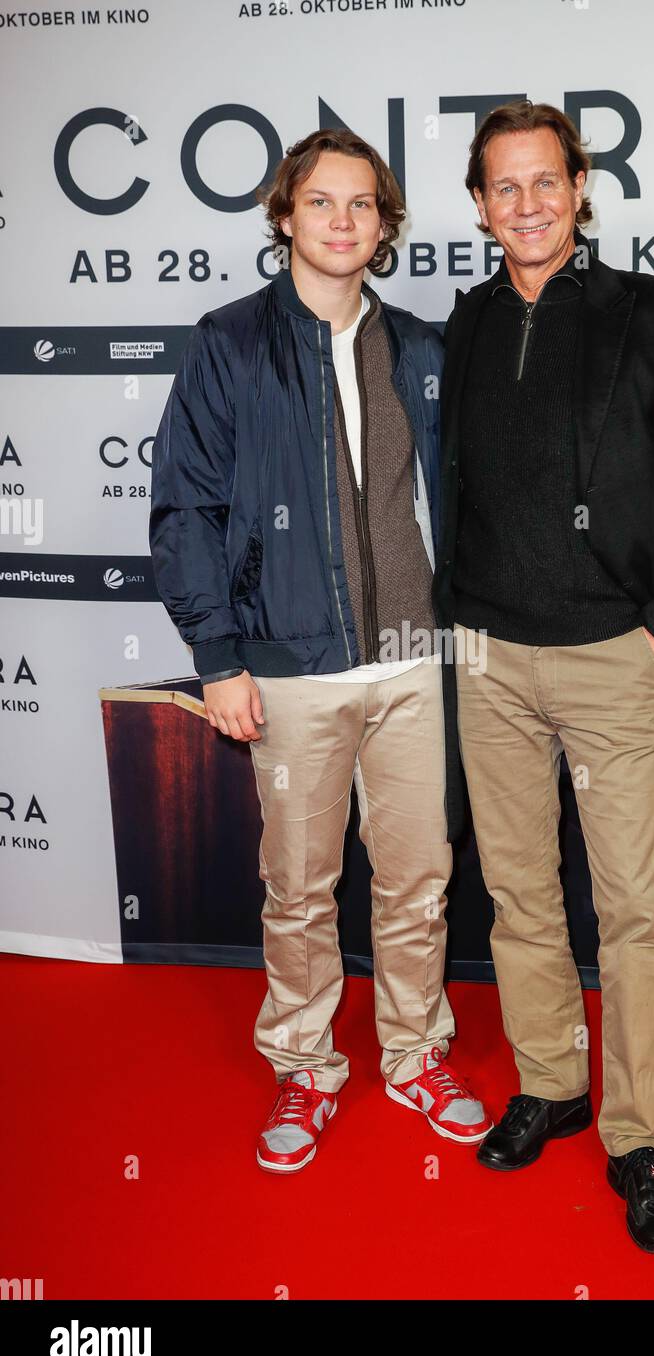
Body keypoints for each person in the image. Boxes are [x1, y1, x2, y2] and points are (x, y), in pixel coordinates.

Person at [150, 127, 491, 1174]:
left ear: (383, 227)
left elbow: (467, 499)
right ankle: (303, 1064)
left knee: (417, 876)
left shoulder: (423, 350)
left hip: (406, 664)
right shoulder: (227, 344)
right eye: (321, 203)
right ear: (285, 217)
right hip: (287, 668)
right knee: (299, 884)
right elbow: (184, 509)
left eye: (361, 206)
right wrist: (217, 657)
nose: (342, 221)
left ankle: (415, 1050)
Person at [433, 100, 654, 1253]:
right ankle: (551, 1081)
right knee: (518, 895)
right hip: (492, 658)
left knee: (631, 914)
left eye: (544, 182)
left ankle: (636, 1137)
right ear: (478, 204)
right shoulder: (462, 324)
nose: (525, 204)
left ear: (578, 189)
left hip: (618, 658)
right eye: (502, 187)